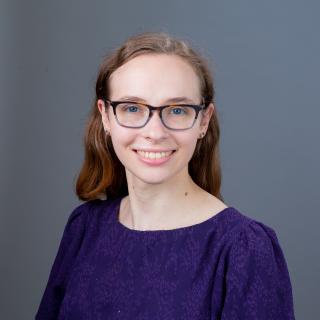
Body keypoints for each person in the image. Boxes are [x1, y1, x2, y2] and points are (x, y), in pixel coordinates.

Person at [35, 32, 295, 319]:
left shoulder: (244, 249)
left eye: (177, 110)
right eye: (132, 108)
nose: (155, 133)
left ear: (203, 121)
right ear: (105, 117)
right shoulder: (84, 228)